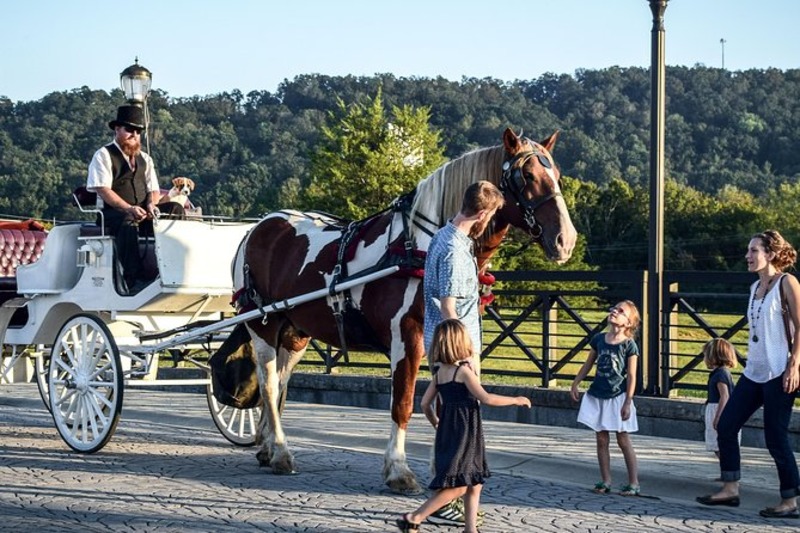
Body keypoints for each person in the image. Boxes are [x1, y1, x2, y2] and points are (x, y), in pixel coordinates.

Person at [696, 230, 800, 518]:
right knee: (726, 425)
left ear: (771, 254)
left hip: (780, 371)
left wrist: (794, 364)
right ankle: (730, 489)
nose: (747, 256)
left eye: (754, 250)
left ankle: (790, 501)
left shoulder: (787, 282)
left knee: (775, 437)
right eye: (748, 250)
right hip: (754, 371)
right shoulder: (755, 288)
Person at [395, 319, 531, 533]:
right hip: (466, 433)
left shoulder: (439, 373)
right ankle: (413, 517)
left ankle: (470, 529)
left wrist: (437, 423)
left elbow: (424, 404)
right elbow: (486, 398)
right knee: (459, 486)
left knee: (475, 481)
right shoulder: (464, 373)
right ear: (460, 343)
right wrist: (516, 400)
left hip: (449, 431)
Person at [422, 180, 505, 525]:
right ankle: (448, 501)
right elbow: (449, 307)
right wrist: (462, 358)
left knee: (455, 431)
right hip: (458, 350)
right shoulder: (457, 250)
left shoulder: (443, 236)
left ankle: (457, 499)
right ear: (483, 213)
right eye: (492, 215)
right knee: (463, 434)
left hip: (443, 346)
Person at [86, 105, 183, 294]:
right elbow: (103, 190)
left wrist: (151, 204)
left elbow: (153, 189)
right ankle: (134, 278)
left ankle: (174, 267)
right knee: (128, 221)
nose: (134, 134)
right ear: (117, 130)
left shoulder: (145, 158)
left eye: (138, 131)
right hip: (114, 214)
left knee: (175, 209)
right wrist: (129, 208)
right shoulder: (103, 155)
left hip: (143, 211)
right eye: (129, 130)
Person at [570, 300, 641, 496]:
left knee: (623, 439)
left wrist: (628, 401)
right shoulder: (599, 339)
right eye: (614, 309)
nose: (614, 312)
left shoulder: (629, 345)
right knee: (601, 438)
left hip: (617, 396)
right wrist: (576, 382)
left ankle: (634, 482)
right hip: (597, 394)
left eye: (621, 311)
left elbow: (632, 376)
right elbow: (588, 364)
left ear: (628, 323)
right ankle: (605, 480)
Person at [701, 338, 738, 459]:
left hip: (718, 409)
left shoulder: (720, 374)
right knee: (717, 445)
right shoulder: (722, 372)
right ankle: (727, 468)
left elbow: (724, 395)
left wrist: (718, 416)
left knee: (718, 444)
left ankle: (728, 468)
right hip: (716, 408)